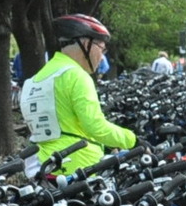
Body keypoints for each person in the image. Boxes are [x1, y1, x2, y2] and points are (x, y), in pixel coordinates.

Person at [18, 13, 136, 174]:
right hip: (78, 167)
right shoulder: (77, 76)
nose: (102, 57)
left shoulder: (37, 78)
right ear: (86, 43)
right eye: (102, 48)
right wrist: (133, 140)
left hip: (41, 165)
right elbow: (96, 127)